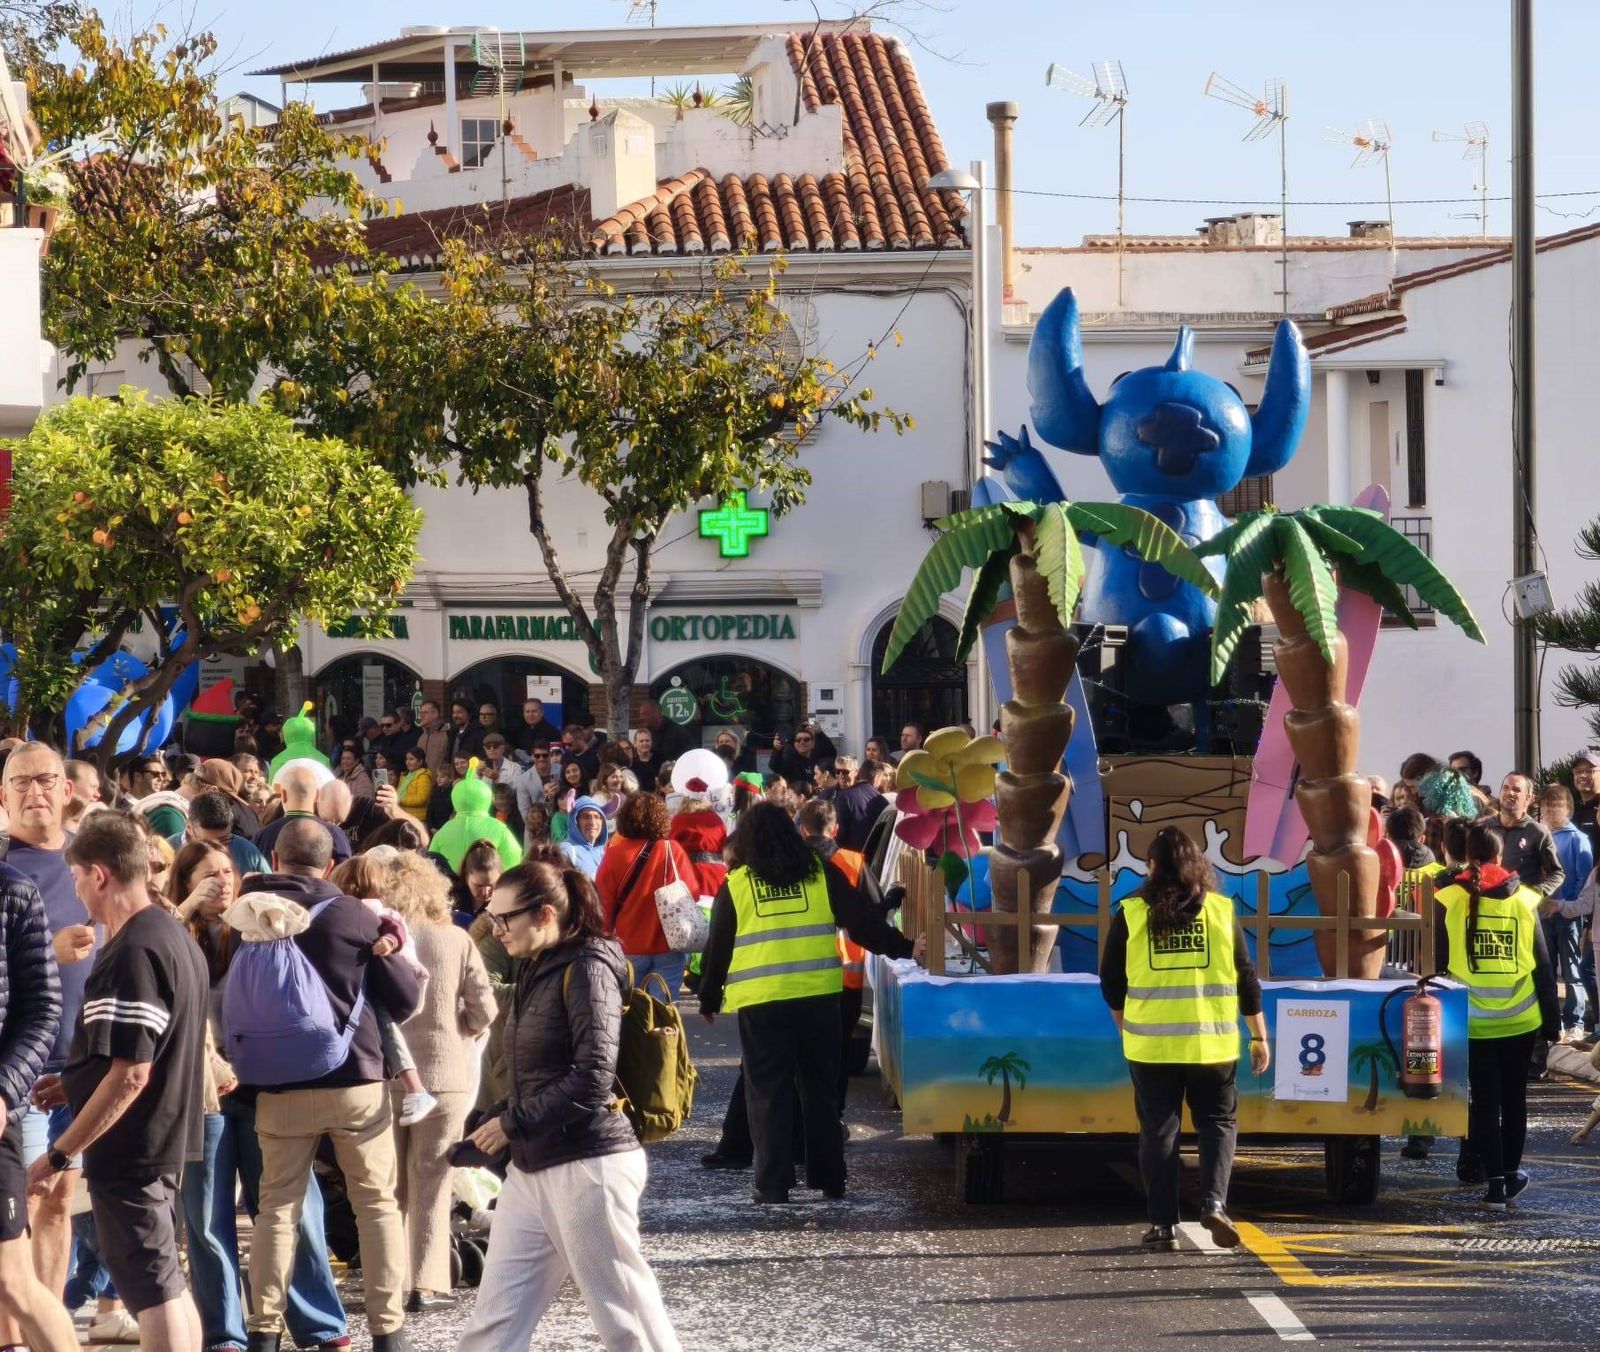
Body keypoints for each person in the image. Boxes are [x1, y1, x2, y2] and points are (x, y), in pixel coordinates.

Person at [458, 861, 680, 1351]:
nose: (495, 930)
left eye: (503, 919)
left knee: (625, 1318)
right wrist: (489, 1122)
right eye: (490, 917)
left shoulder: (587, 966)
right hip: (533, 1165)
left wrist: (511, 1122)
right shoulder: (537, 965)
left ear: (543, 915)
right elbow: (535, 1072)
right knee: (495, 1320)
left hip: (588, 1165)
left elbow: (592, 1077)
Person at [239, 819, 421, 1352]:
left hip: (275, 1084)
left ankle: (264, 1332)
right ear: (330, 865)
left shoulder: (245, 915)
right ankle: (388, 1332)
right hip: (354, 1081)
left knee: (276, 1210)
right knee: (376, 1205)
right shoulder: (353, 915)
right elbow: (404, 998)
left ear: (274, 858)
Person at [29, 811, 208, 1352]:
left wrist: (59, 1154)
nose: (77, 889)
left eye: (78, 876)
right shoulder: (168, 934)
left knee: (152, 1290)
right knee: (165, 1283)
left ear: (100, 875)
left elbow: (132, 1072)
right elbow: (135, 1051)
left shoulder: (132, 950)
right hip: (158, 1140)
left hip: (134, 1148)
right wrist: (76, 1082)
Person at [698, 803, 920, 1204]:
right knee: (819, 1091)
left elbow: (719, 948)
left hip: (763, 1004)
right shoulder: (820, 874)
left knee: (768, 1092)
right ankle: (830, 1178)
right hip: (819, 999)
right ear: (793, 833)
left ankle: (773, 1184)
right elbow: (863, 923)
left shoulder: (737, 884)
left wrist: (709, 997)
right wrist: (905, 948)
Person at [1099, 826, 1268, 1251]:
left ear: (1152, 867)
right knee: (1217, 1123)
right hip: (1212, 1044)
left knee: (1158, 1129)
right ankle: (1213, 1203)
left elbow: (1110, 979)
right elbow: (1245, 976)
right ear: (1197, 865)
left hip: (1151, 1045)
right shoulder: (1220, 910)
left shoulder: (1132, 912)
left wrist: (1124, 1022)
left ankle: (1162, 1227)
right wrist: (1258, 1036)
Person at [353, 853, 493, 1313]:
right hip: (446, 1073)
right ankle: (426, 1284)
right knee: (433, 1180)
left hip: (384, 1074)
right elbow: (484, 1010)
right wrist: (460, 1029)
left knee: (387, 1185)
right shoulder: (455, 939)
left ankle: (386, 1283)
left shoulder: (376, 939)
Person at [1, 743, 95, 1311]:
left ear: (67, 791)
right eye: (21, 783)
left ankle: (49, 1323)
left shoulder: (94, 861)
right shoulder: (5, 873)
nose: (35, 792)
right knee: (24, 1204)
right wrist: (48, 955)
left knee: (61, 1201)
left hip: (85, 1065)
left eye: (46, 780)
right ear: (4, 796)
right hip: (21, 1068)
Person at [1432, 823, 1560, 1208]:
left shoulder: (1450, 897)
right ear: (1501, 857)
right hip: (1521, 1020)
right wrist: (1553, 1023)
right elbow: (1543, 966)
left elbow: (1440, 963)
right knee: (1514, 1100)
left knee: (1484, 1102)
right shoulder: (1523, 900)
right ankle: (1509, 1175)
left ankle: (1494, 1187)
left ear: (1466, 854)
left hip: (1472, 1020)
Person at [0, 806, 72, 1352]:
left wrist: (4, 1090)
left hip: (1, 1109)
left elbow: (42, 1007)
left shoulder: (13, 892)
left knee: (12, 1280)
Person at [596, 792, 697, 996]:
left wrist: (604, 941)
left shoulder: (614, 854)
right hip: (669, 944)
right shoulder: (672, 850)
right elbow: (692, 893)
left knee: (632, 1014)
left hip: (629, 946)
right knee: (664, 1013)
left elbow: (603, 905)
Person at [1539, 784, 1593, 1043]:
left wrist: (1567, 906)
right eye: (1546, 806)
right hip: (1542, 916)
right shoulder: (1540, 835)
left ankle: (1576, 1021)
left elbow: (1585, 883)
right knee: (1546, 969)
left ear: (1568, 809)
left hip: (1568, 916)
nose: (1551, 811)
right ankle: (1553, 1021)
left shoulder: (1577, 839)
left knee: (1572, 971)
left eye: (1556, 805)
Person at [254, 764, 353, 864]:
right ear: (317, 795)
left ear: (283, 796)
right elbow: (345, 874)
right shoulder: (335, 835)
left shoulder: (262, 837)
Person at [1488, 772, 1563, 897]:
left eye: (1516, 790)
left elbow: (1556, 874)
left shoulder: (1537, 832)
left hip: (1520, 910)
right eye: (1506, 788)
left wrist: (1533, 895)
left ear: (1528, 798)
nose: (1510, 793)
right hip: (1487, 908)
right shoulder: (1484, 828)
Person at [186, 789, 269, 879]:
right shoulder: (170, 853)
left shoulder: (248, 853)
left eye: (224, 840)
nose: (216, 849)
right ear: (190, 829)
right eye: (207, 843)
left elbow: (269, 887)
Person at [558, 795, 609, 881]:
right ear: (575, 821)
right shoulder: (566, 850)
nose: (592, 822)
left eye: (597, 817)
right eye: (586, 817)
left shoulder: (602, 851)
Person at [414, 701, 451, 781]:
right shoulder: (421, 737)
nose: (421, 715)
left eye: (425, 712)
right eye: (420, 713)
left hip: (440, 784)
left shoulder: (447, 735)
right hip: (422, 784)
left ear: (435, 714)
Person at [396, 745, 432, 824]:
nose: (408, 762)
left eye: (411, 759)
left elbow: (421, 799)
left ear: (420, 761)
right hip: (403, 816)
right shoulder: (404, 775)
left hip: (417, 819)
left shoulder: (424, 776)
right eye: (407, 759)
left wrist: (400, 800)